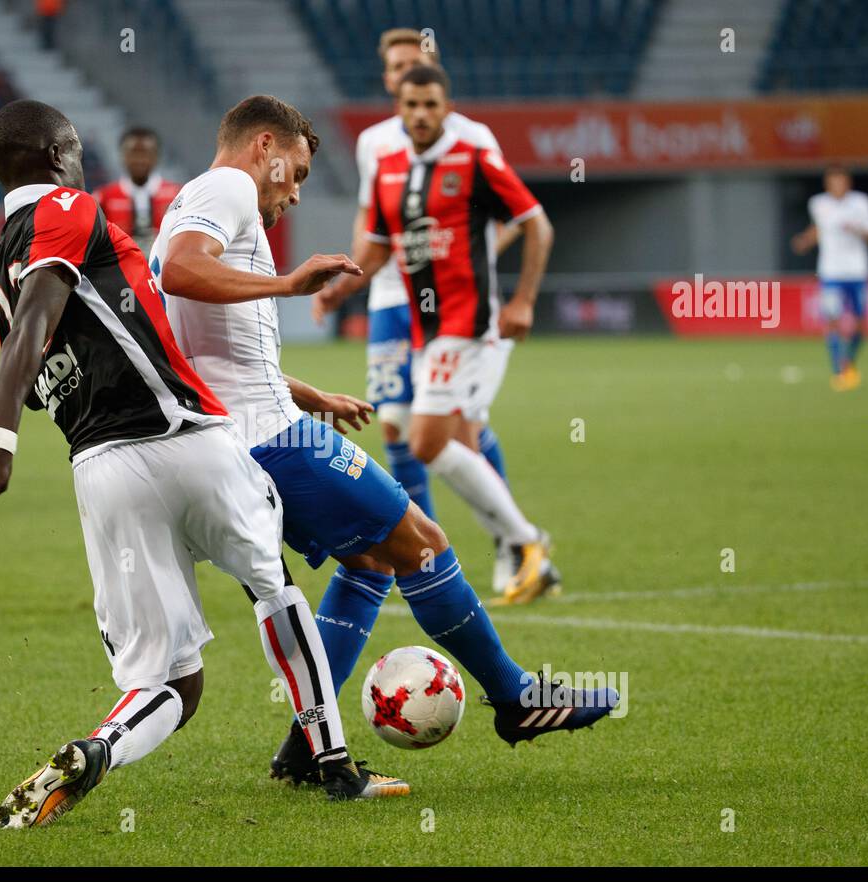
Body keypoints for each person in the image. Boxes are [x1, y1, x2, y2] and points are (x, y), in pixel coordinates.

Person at [0, 99, 407, 829]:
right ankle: (335, 766)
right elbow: (44, 312)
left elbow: (64, 348)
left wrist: (302, 392)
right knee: (274, 587)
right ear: (53, 156)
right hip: (187, 438)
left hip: (103, 474)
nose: (80, 160)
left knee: (173, 684)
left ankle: (97, 750)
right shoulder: (71, 208)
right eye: (73, 147)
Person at [152, 94, 615, 787]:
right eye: (296, 172)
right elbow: (179, 271)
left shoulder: (191, 196)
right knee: (420, 542)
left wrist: (306, 393)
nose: (296, 192)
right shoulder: (228, 187)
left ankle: (306, 750)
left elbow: (204, 349)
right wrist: (287, 282)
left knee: (369, 561)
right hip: (273, 439)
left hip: (251, 429)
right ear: (264, 146)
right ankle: (517, 699)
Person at [317, 65, 559, 607]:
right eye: (412, 105)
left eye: (431, 104)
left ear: (446, 107)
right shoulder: (388, 169)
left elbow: (537, 223)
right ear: (398, 109)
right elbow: (380, 247)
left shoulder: (474, 160)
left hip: (467, 322)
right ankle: (520, 545)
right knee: (448, 440)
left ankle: (525, 542)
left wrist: (522, 300)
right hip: (425, 329)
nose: (421, 115)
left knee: (426, 441)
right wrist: (339, 285)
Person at [791, 166, 868, 391]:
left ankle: (848, 361)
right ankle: (838, 370)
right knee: (832, 320)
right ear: (827, 184)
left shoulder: (861, 203)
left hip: (857, 271)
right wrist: (805, 240)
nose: (837, 186)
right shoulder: (818, 204)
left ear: (847, 183)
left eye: (841, 181)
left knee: (860, 322)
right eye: (833, 182)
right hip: (830, 272)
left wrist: (858, 230)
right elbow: (820, 229)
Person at [92, 128, 181, 255]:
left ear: (156, 156)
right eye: (133, 153)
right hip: (119, 271)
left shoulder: (177, 195)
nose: (139, 159)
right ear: (123, 155)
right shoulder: (103, 197)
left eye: (146, 153)